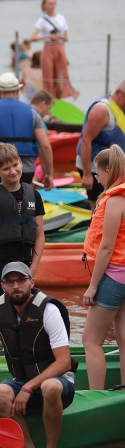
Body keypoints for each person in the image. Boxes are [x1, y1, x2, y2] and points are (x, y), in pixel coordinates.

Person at [0, 261, 75, 448]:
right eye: (10, 282)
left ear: (31, 282)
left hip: (58, 383)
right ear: (3, 286)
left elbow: (64, 362)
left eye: (21, 280)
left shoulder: (49, 310)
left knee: (50, 386)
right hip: (23, 381)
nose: (16, 286)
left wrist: (27, 388)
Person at [0, 143, 45, 334]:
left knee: (22, 308)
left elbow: (39, 236)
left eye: (15, 165)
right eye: (6, 168)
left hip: (23, 262)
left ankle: (15, 348)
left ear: (21, 163)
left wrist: (32, 271)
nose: (13, 171)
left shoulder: (34, 196)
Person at [81, 144, 125, 388]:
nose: (97, 179)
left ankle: (95, 396)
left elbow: (107, 248)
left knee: (90, 340)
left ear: (108, 171)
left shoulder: (115, 200)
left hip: (114, 278)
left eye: (98, 174)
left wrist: (93, 286)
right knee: (123, 340)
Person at [0, 71, 54, 189]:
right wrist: (49, 174)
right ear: (17, 91)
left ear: (0, 92)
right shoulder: (32, 113)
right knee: (22, 203)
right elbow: (45, 146)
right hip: (25, 169)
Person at [76, 81, 125, 211]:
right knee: (100, 209)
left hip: (113, 168)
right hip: (94, 168)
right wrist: (87, 174)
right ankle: (96, 229)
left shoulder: (120, 109)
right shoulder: (101, 111)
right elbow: (85, 141)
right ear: (119, 93)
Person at [28, 0, 79, 100]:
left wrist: (60, 36)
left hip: (60, 48)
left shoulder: (61, 18)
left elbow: (66, 38)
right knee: (48, 79)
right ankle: (49, 107)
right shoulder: (42, 21)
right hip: (48, 48)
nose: (52, 6)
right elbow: (32, 38)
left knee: (61, 79)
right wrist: (47, 36)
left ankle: (58, 103)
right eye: (50, 4)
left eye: (54, 4)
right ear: (44, 6)